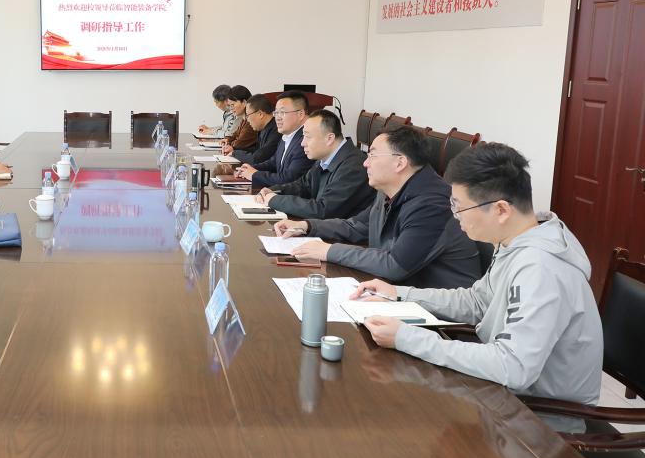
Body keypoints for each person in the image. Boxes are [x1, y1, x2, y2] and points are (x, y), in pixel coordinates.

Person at [353, 142, 603, 406]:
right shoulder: (516, 240)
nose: (456, 216)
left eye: (460, 207)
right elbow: (477, 301)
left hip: (538, 414)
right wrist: (399, 294)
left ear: (501, 210)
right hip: (500, 392)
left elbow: (513, 367)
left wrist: (407, 338)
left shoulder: (541, 269)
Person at [274, 125, 481, 289]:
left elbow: (395, 265)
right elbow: (357, 226)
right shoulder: (390, 189)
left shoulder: (433, 204)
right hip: (394, 290)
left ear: (400, 163)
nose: (365, 163)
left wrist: (329, 250)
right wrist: (307, 226)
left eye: (372, 155)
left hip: (435, 312)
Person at [256, 109, 374, 219]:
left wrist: (274, 200)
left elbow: (324, 210)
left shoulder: (354, 167)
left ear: (329, 138)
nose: (302, 143)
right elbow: (303, 186)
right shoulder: (325, 158)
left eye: (308, 137)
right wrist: (274, 191)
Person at [233, 90, 311, 188]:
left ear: (301, 114)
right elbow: (274, 162)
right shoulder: (287, 135)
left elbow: (288, 179)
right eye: (276, 112)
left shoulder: (305, 140)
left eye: (282, 112)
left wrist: (254, 174)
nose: (277, 118)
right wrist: (249, 169)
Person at [222, 94, 278, 165]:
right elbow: (257, 150)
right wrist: (234, 150)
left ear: (260, 114)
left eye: (248, 115)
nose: (247, 120)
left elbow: (257, 159)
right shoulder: (264, 128)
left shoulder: (276, 131)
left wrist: (235, 153)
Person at [218, 85, 258, 151]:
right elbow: (235, 134)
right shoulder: (244, 118)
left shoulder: (251, 120)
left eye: (232, 105)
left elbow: (239, 144)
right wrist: (228, 139)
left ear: (244, 102)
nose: (231, 109)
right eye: (229, 106)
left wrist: (229, 143)